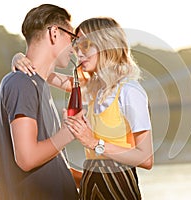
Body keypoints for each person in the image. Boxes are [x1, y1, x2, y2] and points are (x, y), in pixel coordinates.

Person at [13, 17, 154, 200]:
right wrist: (19, 59)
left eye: (86, 46)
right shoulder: (92, 88)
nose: (78, 54)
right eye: (77, 47)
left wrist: (95, 143)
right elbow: (43, 73)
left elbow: (146, 159)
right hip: (90, 184)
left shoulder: (130, 91)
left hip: (119, 187)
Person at [0, 4, 79, 200]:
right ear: (54, 33)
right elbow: (27, 158)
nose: (74, 49)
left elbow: (54, 164)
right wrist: (68, 133)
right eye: (72, 38)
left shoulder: (36, 84)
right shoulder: (21, 84)